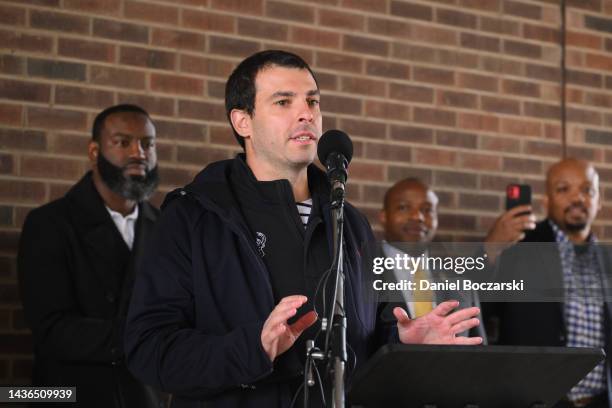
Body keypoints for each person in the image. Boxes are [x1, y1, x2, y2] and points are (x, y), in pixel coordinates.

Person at [125, 50, 482, 408]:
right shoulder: (194, 216)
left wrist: (401, 343)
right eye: (283, 101)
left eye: (312, 101)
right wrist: (253, 348)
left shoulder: (351, 222)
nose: (305, 113)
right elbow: (149, 350)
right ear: (242, 121)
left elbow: (372, 337)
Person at [18, 104, 162, 408]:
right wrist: (150, 335)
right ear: (94, 151)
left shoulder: (166, 228)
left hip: (144, 398)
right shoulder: (49, 224)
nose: (139, 153)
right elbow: (53, 331)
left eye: (147, 144)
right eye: (123, 142)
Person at [485, 158, 612, 408]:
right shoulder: (518, 245)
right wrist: (489, 250)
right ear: (546, 201)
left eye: (587, 190)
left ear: (599, 200)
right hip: (533, 401)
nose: (577, 198)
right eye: (564, 189)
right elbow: (477, 309)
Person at [378, 178, 486, 341]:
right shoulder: (359, 274)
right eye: (403, 207)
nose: (417, 217)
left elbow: (480, 355)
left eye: (427, 210)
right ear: (384, 217)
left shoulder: (461, 282)